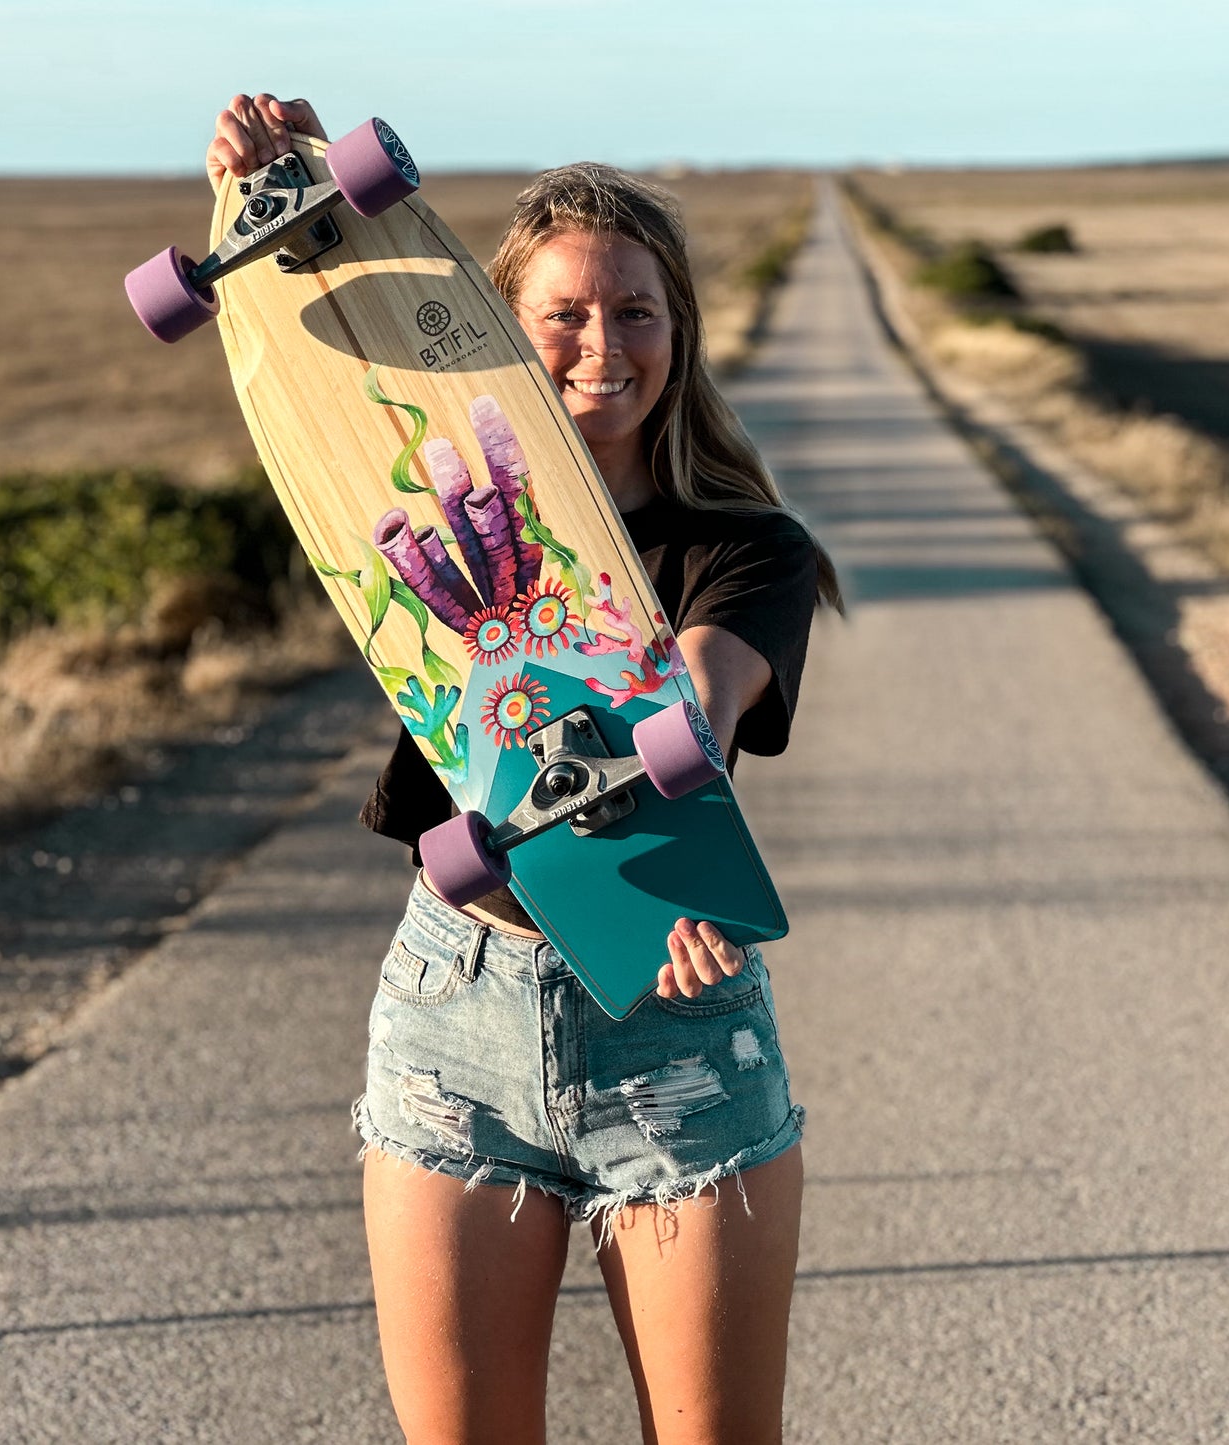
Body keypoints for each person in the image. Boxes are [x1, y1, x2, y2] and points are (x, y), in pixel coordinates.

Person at [209, 93, 844, 1445]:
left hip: (671, 1024)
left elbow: (694, 705)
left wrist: (669, 873)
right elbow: (325, 376)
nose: (601, 345)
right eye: (560, 312)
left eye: (635, 311)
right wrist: (282, 201)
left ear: (679, 334)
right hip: (453, 1012)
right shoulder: (421, 505)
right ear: (494, 325)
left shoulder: (748, 547)